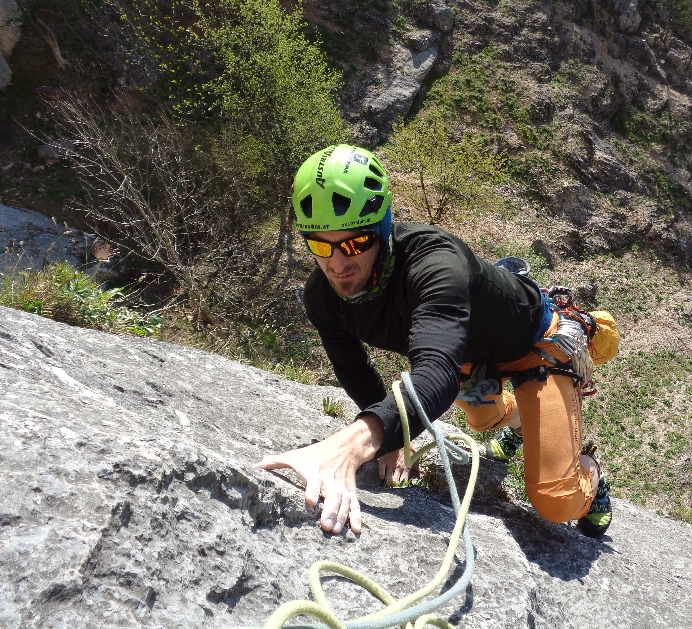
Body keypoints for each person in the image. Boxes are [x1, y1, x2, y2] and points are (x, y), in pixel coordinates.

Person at [256, 144, 620, 538]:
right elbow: (353, 369)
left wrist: (353, 444)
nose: (338, 264)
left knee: (555, 499)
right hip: (468, 353)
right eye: (319, 245)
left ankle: (591, 471)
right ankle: (522, 424)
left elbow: (436, 373)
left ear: (381, 228)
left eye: (354, 244)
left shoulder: (434, 262)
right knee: (483, 419)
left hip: (534, 346)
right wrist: (393, 440)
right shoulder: (322, 297)